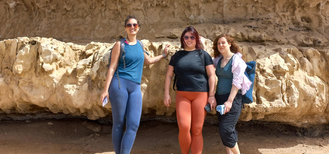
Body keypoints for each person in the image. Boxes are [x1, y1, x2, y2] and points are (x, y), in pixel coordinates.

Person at [100, 15, 169, 154]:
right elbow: (112, 67)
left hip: (135, 87)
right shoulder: (120, 44)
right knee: (119, 123)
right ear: (125, 28)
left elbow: (148, 61)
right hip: (119, 85)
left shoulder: (140, 45)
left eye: (135, 25)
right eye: (129, 25)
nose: (132, 27)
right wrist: (105, 90)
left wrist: (163, 55)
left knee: (133, 124)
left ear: (138, 27)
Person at [164, 26, 216, 154]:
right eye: (186, 37)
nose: (189, 39)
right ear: (183, 39)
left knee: (197, 129)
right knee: (184, 127)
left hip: (201, 95)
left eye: (192, 37)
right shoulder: (177, 56)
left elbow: (212, 75)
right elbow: (169, 75)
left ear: (196, 39)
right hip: (183, 95)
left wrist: (212, 95)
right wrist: (166, 94)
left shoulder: (203, 54)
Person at [212, 34, 253, 154]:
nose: (221, 45)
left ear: (229, 44)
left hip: (233, 99)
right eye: (218, 43)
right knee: (229, 129)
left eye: (223, 42)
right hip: (220, 98)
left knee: (225, 129)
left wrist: (229, 101)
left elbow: (237, 82)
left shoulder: (237, 60)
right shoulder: (218, 60)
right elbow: (207, 63)